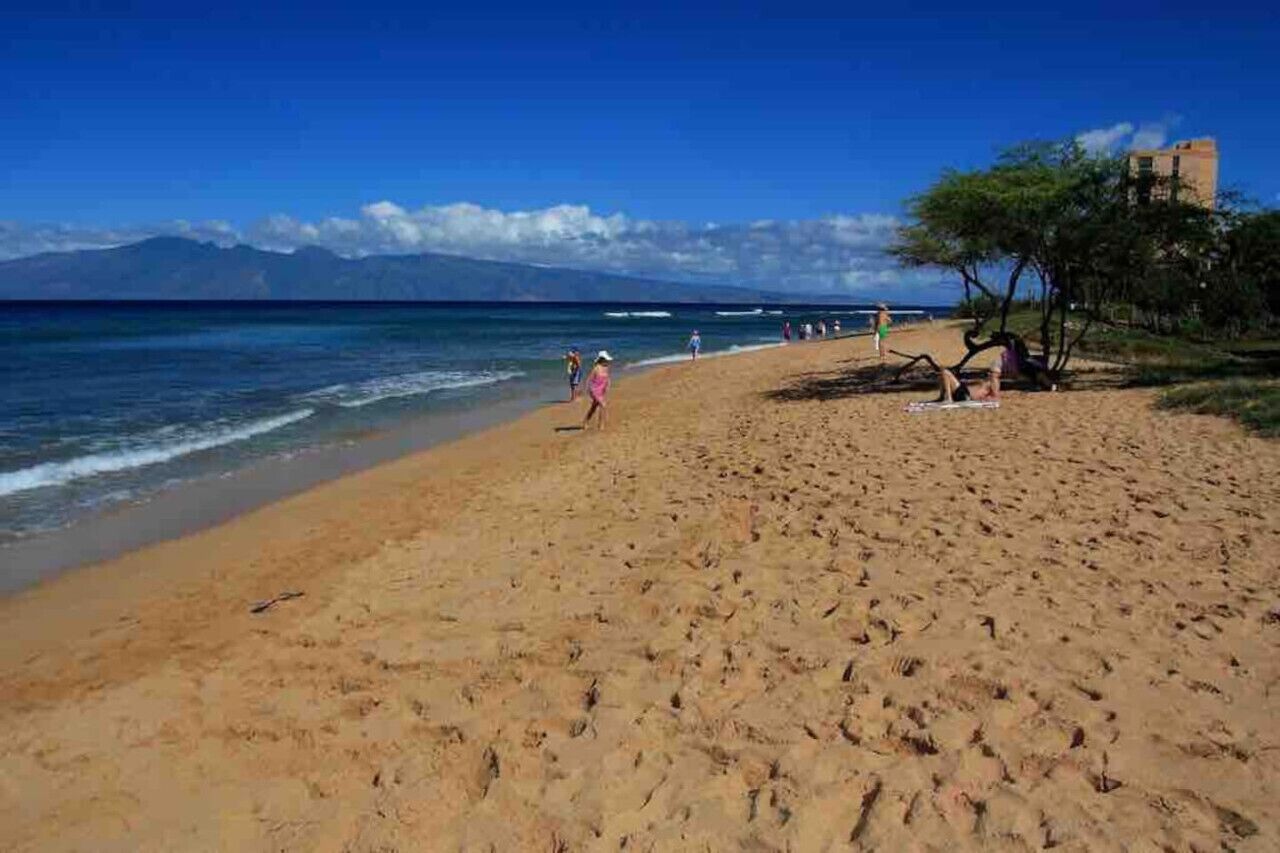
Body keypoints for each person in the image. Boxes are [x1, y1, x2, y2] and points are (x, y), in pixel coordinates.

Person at [582, 351, 613, 430]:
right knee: (603, 405)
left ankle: (586, 420)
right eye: (606, 359)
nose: (607, 361)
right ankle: (601, 425)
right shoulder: (596, 368)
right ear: (601, 359)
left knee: (594, 407)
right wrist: (586, 389)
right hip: (594, 390)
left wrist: (608, 385)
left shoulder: (606, 367)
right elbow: (589, 379)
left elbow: (607, 378)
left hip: (601, 390)